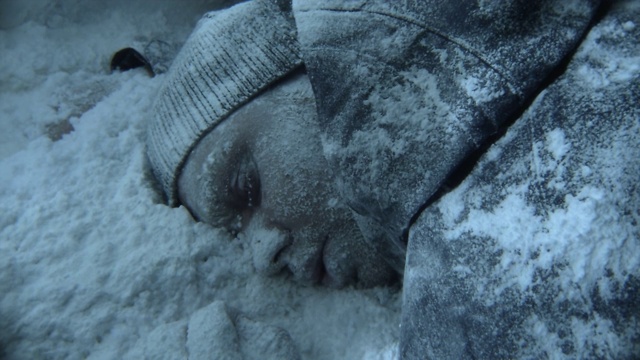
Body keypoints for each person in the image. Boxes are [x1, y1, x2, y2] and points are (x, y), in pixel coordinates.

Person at [147, 0, 639, 358]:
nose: (262, 255)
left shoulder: (480, 296)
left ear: (318, 66)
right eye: (236, 235)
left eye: (245, 188)